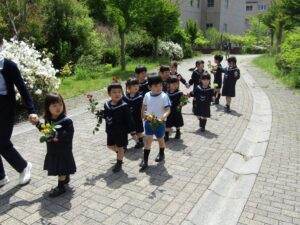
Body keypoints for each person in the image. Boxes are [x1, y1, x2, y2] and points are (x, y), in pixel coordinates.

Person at [0, 34, 37, 187]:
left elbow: (22, 88)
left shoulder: (9, 66)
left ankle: (23, 166)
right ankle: (1, 177)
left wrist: (31, 110)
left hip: (5, 106)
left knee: (2, 142)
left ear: (1, 44)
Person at [35, 93, 76, 197]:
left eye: (60, 104)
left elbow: (68, 135)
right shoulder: (49, 120)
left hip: (63, 150)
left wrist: (56, 134)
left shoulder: (67, 121)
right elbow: (45, 130)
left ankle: (61, 187)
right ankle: (65, 177)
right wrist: (37, 123)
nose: (58, 108)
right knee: (60, 167)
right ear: (48, 107)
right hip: (52, 149)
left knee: (61, 168)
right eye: (54, 105)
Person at [102, 81, 137, 173]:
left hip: (121, 131)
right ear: (109, 94)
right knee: (110, 146)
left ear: (122, 93)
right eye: (114, 92)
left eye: (119, 92)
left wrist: (133, 133)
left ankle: (119, 163)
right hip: (110, 131)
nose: (117, 94)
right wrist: (99, 113)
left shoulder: (124, 106)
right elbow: (105, 115)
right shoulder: (107, 105)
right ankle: (120, 154)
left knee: (120, 147)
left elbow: (130, 120)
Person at [139, 74, 171, 172]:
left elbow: (168, 110)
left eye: (160, 85)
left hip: (160, 122)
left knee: (160, 139)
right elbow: (143, 106)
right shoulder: (147, 95)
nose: (159, 88)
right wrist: (143, 116)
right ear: (149, 87)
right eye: (156, 86)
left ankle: (161, 152)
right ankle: (145, 161)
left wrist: (163, 117)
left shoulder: (164, 96)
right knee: (148, 140)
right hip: (149, 121)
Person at [123, 77, 144, 149]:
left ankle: (140, 142)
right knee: (128, 130)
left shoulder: (140, 96)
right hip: (128, 118)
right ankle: (124, 145)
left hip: (137, 116)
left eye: (137, 85)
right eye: (134, 86)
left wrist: (143, 115)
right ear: (129, 87)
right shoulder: (125, 97)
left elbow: (142, 107)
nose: (136, 87)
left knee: (139, 130)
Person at [165, 77, 184, 142]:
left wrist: (182, 103)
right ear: (169, 85)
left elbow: (184, 100)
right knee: (168, 123)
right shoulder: (166, 93)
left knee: (177, 122)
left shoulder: (179, 93)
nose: (175, 85)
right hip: (169, 111)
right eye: (173, 84)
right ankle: (166, 135)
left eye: (176, 84)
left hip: (177, 110)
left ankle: (178, 131)